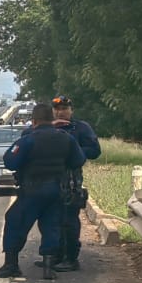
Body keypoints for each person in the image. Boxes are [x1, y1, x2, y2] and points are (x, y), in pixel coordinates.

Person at [0, 103, 86, 280]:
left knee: (14, 220)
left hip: (32, 189)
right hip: (56, 189)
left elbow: (10, 161)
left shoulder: (29, 139)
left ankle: (11, 264)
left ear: (33, 121)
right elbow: (78, 160)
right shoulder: (66, 138)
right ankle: (49, 267)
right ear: (52, 119)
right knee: (51, 226)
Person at [50, 95, 102, 271]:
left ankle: (71, 257)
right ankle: (55, 255)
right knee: (52, 220)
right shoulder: (48, 128)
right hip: (50, 180)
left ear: (71, 110)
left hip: (71, 181)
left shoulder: (81, 128)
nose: (60, 112)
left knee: (69, 220)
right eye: (57, 109)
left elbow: (95, 151)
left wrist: (72, 149)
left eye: (64, 109)